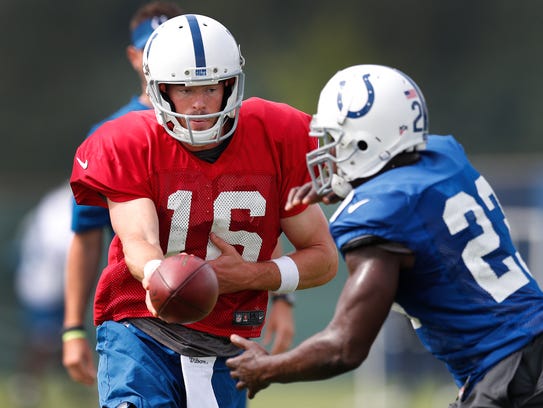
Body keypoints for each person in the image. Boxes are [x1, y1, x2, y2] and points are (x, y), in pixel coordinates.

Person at [226, 64, 543, 408]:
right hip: (525, 351)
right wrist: (351, 181)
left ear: (367, 141)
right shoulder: (444, 156)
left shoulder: (381, 213)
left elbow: (344, 347)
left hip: (511, 378)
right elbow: (398, 176)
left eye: (337, 141)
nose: (330, 153)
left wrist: (268, 368)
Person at [69, 13, 337, 408]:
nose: (198, 104)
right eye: (183, 89)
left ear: (230, 85)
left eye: (210, 87)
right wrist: (168, 279)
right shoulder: (129, 141)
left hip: (227, 339)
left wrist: (253, 276)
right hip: (142, 328)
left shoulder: (275, 134)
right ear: (159, 90)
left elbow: (323, 258)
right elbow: (139, 241)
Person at [62, 1, 184, 386]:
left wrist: (281, 298)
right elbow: (85, 235)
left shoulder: (223, 122)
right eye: (153, 48)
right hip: (137, 317)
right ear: (135, 56)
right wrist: (72, 328)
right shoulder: (111, 134)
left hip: (215, 308)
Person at [12, 182, 73, 406]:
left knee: (56, 336)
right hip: (45, 279)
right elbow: (66, 248)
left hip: (45, 276)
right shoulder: (64, 202)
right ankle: (27, 383)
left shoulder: (57, 199)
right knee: (45, 337)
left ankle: (60, 382)